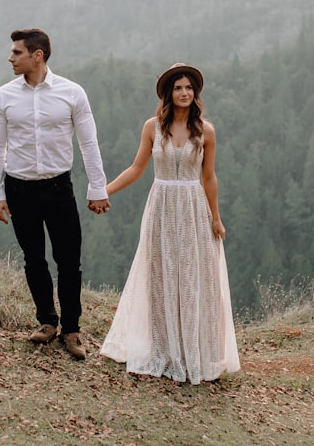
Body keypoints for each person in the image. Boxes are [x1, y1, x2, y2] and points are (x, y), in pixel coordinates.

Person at [99, 63, 240, 384]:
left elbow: (209, 177)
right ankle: (165, 351)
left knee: (193, 276)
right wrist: (103, 190)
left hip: (193, 207)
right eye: (178, 88)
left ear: (196, 93)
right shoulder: (152, 127)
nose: (184, 93)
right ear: (168, 93)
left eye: (189, 88)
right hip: (161, 205)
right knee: (160, 274)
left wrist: (216, 217)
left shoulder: (206, 130)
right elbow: (137, 168)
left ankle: (197, 352)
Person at [0, 28, 111, 360]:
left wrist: (98, 188)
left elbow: (88, 142)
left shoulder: (72, 93)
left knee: (69, 261)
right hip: (19, 187)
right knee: (33, 258)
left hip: (59, 187)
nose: (11, 58)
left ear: (36, 55)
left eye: (17, 53)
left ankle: (71, 329)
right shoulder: (4, 96)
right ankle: (47, 321)